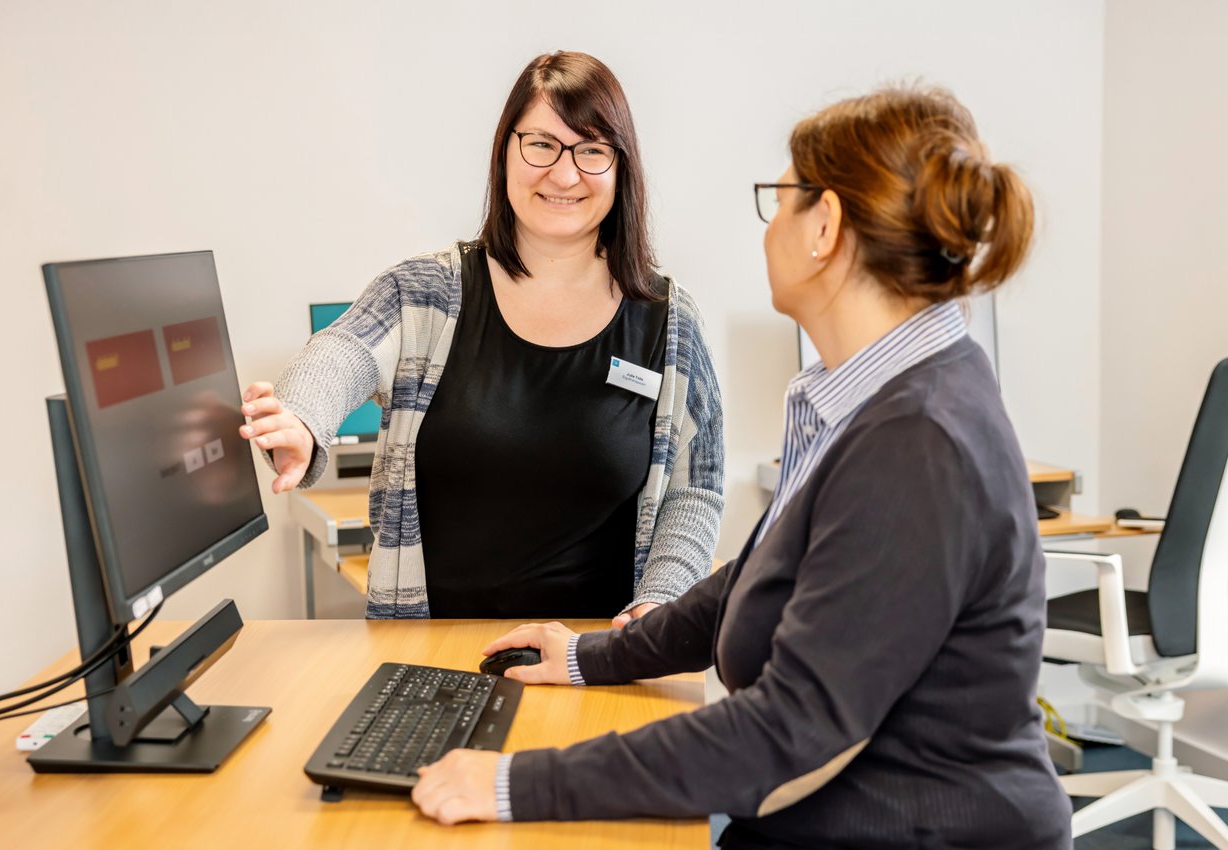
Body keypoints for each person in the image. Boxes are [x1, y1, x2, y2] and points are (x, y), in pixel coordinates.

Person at [412, 84, 1070, 849]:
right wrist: (593, 657)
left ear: (824, 226)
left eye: (781, 202)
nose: (768, 232)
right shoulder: (878, 396)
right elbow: (764, 576)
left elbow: (784, 730)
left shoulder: (917, 440)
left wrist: (513, 783)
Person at [241, 52, 723, 623]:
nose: (564, 174)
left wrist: (656, 604)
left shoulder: (668, 320)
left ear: (621, 168)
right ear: (505, 152)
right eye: (541, 144)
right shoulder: (426, 292)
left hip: (595, 657)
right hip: (432, 653)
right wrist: (300, 417)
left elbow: (696, 490)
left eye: (591, 151)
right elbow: (343, 350)